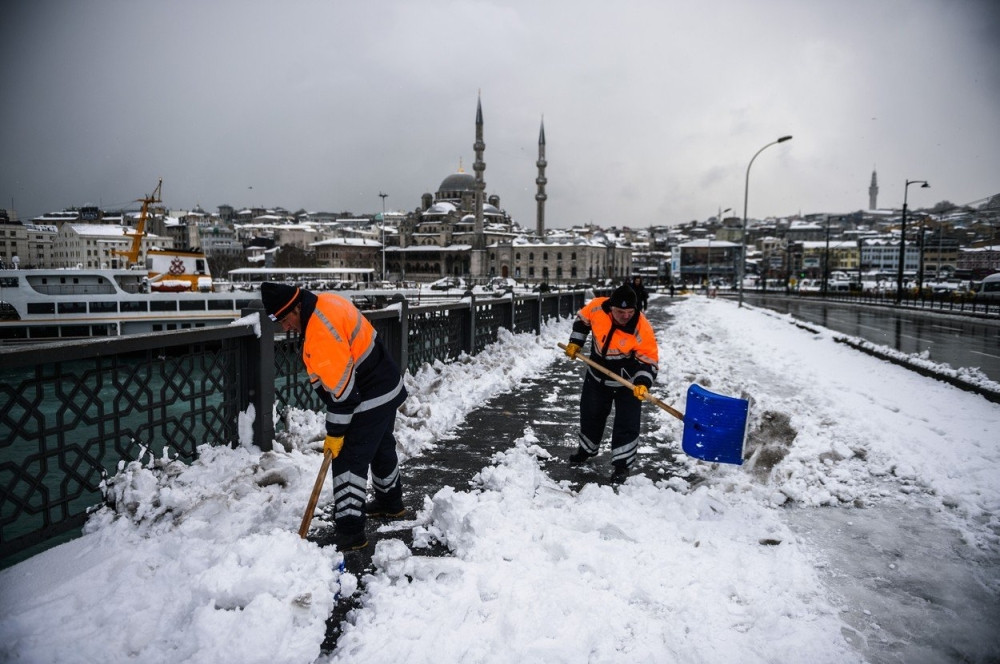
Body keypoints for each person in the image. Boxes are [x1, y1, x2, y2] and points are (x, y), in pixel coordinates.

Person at [261, 282, 408, 551]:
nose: (285, 327)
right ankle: (390, 503)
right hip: (386, 384)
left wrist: (335, 434)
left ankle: (350, 533)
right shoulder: (327, 301)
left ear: (296, 307)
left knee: (349, 459)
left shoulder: (319, 332)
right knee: (380, 446)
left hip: (369, 395)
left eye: (285, 319)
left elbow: (344, 396)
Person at [563, 283, 659, 482]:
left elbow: (648, 359)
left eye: (630, 312)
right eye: (620, 311)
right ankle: (586, 450)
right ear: (610, 307)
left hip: (628, 383)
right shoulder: (598, 307)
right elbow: (583, 320)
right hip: (597, 374)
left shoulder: (642, 327)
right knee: (590, 414)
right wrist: (576, 342)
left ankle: (622, 465)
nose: (625, 316)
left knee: (626, 423)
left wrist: (642, 383)